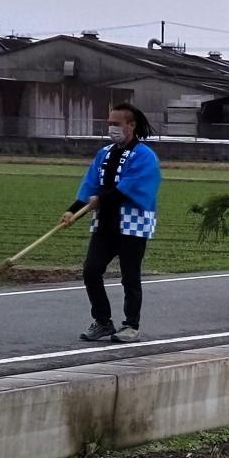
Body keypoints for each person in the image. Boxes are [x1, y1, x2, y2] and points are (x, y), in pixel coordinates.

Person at [63, 102, 161, 344]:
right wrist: (72, 211)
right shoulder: (104, 153)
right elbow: (90, 186)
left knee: (130, 276)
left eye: (116, 124)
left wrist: (101, 200)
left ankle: (131, 325)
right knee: (91, 270)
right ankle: (103, 321)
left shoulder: (144, 156)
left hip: (133, 223)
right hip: (104, 223)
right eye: (109, 124)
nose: (111, 128)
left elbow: (131, 186)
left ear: (131, 125)